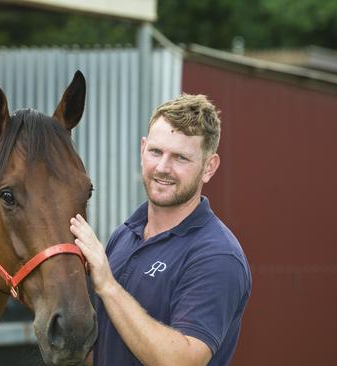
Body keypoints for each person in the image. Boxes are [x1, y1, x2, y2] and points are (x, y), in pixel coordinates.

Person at [69, 94, 251, 366]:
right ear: (143, 149)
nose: (163, 168)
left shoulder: (217, 255)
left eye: (180, 158)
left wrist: (107, 284)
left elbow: (182, 362)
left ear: (208, 167)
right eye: (156, 152)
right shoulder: (124, 235)